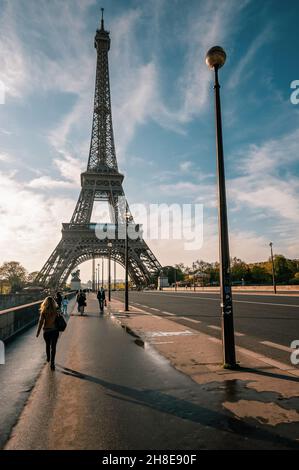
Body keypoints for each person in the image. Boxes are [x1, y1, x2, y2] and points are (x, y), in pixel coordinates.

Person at [36, 296, 59, 371]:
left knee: (47, 345)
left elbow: (41, 322)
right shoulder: (56, 310)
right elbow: (59, 319)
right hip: (55, 330)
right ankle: (52, 362)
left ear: (45, 303)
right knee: (53, 347)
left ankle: (48, 358)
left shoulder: (44, 311)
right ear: (53, 302)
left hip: (46, 331)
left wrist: (38, 332)